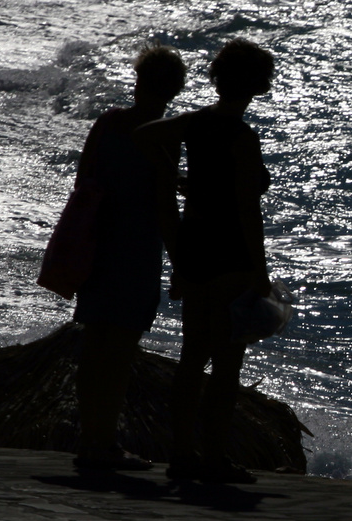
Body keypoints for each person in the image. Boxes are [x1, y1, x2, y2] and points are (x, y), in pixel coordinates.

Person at [135, 40, 276, 484]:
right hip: (230, 253)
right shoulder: (242, 138)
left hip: (195, 248)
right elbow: (247, 213)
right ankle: (213, 454)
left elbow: (144, 136)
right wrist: (261, 269)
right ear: (256, 85)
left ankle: (182, 452)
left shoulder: (196, 123)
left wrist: (178, 179)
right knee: (227, 362)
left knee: (193, 355)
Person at [70, 45, 188, 471]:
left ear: (139, 80)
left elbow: (88, 179)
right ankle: (104, 443)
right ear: (175, 89)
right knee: (119, 352)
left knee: (96, 344)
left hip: (99, 242)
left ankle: (91, 439)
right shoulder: (165, 132)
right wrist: (182, 262)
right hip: (136, 249)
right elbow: (162, 205)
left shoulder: (109, 123)